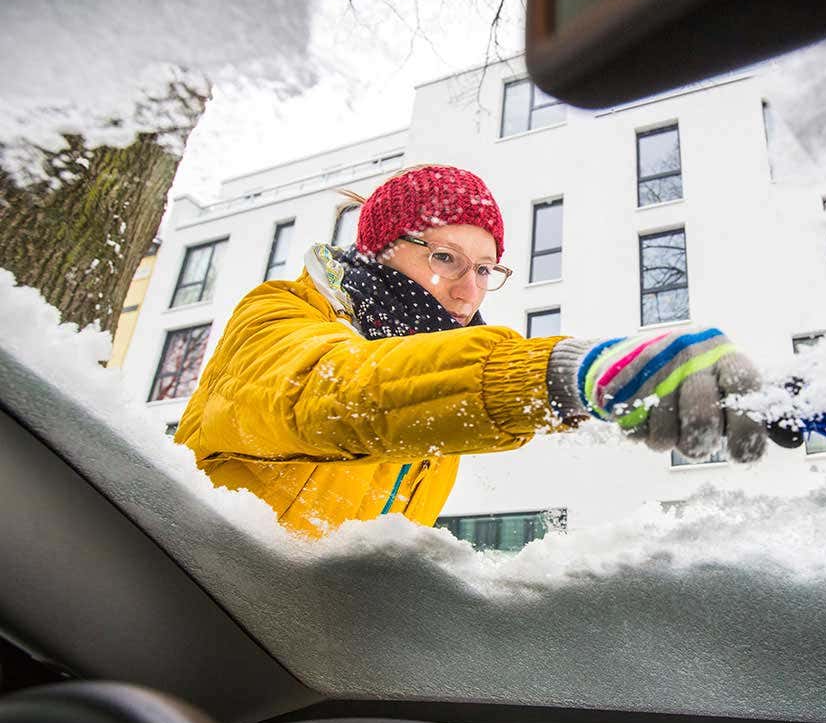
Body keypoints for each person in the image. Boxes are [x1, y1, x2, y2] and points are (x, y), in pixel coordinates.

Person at [175, 164, 766, 538]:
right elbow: (335, 394)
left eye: (485, 269)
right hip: (206, 622)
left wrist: (616, 388)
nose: (468, 291)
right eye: (444, 258)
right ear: (380, 250)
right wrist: (561, 373)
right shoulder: (280, 314)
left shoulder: (435, 364)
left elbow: (431, 386)